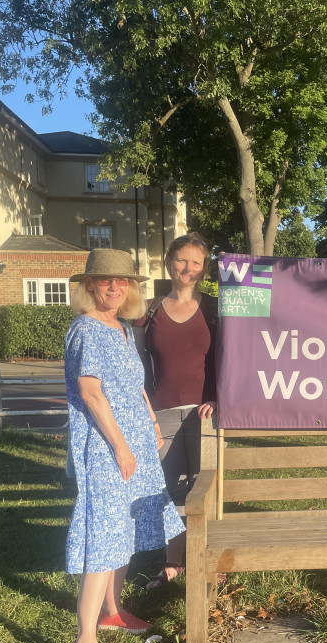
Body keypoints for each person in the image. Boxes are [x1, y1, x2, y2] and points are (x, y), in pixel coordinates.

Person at [64, 248, 185, 643]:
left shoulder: (119, 329)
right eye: (105, 280)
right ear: (90, 285)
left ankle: (112, 611)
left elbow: (135, 387)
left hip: (134, 443)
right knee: (104, 535)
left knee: (126, 529)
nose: (114, 287)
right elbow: (92, 393)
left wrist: (151, 423)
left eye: (122, 281)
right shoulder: (86, 329)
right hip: (107, 448)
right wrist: (120, 447)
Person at [136, 233, 217, 589]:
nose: (188, 268)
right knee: (169, 490)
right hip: (162, 412)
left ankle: (211, 560)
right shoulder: (149, 309)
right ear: (170, 262)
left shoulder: (214, 308)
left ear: (204, 268)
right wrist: (144, 408)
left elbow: (228, 358)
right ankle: (173, 563)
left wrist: (217, 397)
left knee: (207, 487)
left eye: (196, 262)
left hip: (206, 412)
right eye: (182, 260)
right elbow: (135, 364)